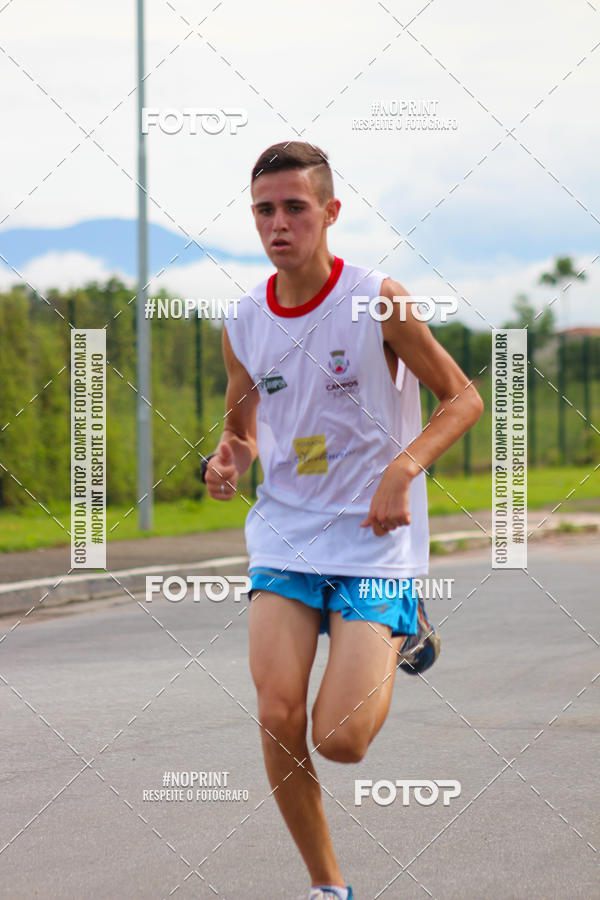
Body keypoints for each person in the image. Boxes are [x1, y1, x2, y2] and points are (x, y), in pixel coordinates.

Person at [202, 141, 484, 900]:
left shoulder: (374, 299)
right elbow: (242, 425)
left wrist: (403, 467)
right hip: (286, 534)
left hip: (373, 544)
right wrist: (228, 458)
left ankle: (403, 629)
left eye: (296, 206)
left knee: (340, 740)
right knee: (277, 711)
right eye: (265, 209)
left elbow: (462, 398)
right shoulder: (244, 318)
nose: (279, 222)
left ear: (329, 212)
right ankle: (328, 887)